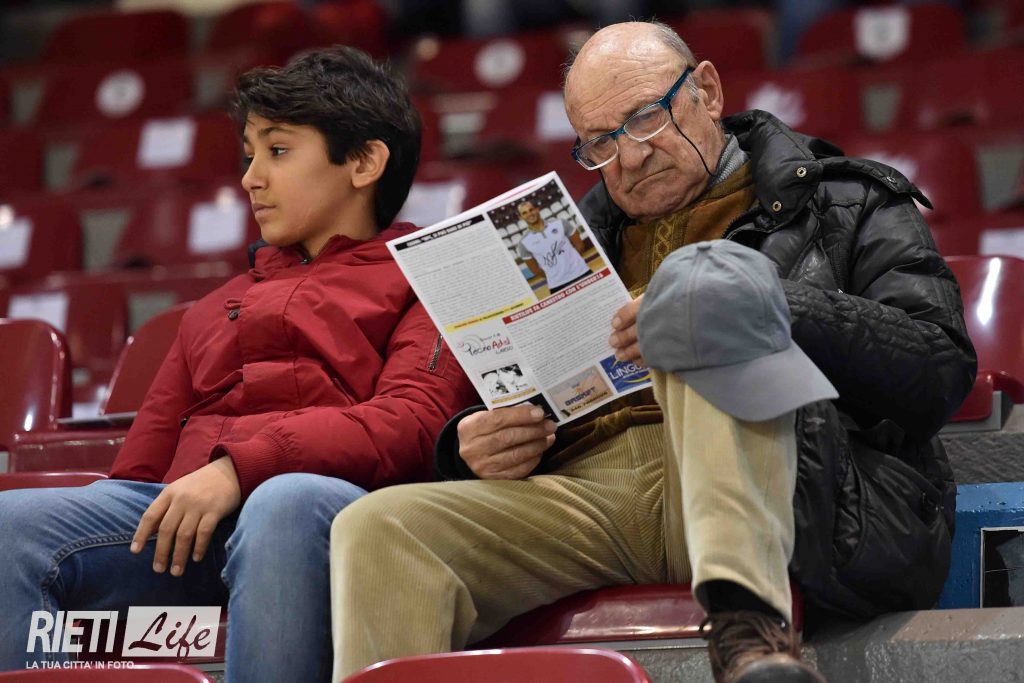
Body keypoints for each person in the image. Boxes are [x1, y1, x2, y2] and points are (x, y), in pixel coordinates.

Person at [327, 21, 976, 683]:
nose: (630, 157)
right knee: (378, 529)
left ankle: (751, 639)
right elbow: (514, 390)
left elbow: (938, 371)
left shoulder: (847, 200)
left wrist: (767, 302)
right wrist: (472, 444)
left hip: (791, 481)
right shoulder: (570, 240)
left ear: (707, 92)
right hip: (594, 494)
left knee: (697, 300)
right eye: (601, 142)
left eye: (644, 118)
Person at [0, 46, 475, 683]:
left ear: (364, 162)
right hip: (193, 534)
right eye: (249, 155)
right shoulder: (211, 308)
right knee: (10, 525)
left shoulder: (432, 279)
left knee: (283, 500)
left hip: (335, 518)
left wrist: (240, 468)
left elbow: (411, 422)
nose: (251, 178)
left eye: (277, 151)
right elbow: (138, 476)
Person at [515, 200, 591, 293]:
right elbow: (535, 270)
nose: (529, 214)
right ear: (521, 217)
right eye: (524, 213)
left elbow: (580, 245)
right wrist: (553, 275)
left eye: (531, 210)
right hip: (557, 285)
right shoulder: (523, 243)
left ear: (537, 209)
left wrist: (575, 264)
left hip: (581, 273)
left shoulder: (561, 223)